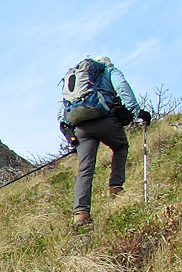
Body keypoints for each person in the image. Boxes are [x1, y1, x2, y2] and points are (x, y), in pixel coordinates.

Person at [59, 56, 151, 226]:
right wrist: (137, 112)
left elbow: (63, 110)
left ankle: (80, 214)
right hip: (104, 120)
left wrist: (71, 137)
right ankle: (115, 187)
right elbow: (122, 88)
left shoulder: (77, 80)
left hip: (80, 127)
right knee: (121, 146)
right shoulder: (109, 71)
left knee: (85, 169)